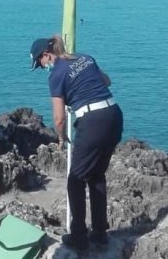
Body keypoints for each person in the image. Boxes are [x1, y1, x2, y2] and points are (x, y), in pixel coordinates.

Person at [29, 36, 123, 251]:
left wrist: (61, 137)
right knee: (96, 175)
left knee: (75, 179)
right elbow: (106, 81)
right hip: (114, 115)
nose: (42, 66)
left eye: (40, 62)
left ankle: (79, 237)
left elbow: (59, 117)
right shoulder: (85, 58)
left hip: (93, 122)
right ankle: (100, 233)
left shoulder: (56, 75)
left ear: (46, 55)